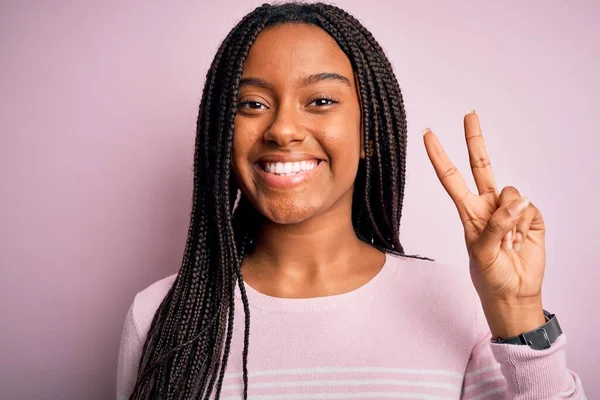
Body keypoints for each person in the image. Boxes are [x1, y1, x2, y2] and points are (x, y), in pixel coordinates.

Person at [116, 2, 586, 399]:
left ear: (369, 131)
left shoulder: (464, 305)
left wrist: (518, 314)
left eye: (320, 101)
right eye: (253, 104)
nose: (282, 129)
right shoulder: (159, 314)